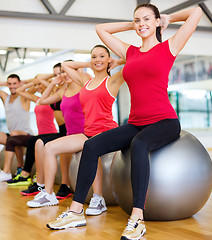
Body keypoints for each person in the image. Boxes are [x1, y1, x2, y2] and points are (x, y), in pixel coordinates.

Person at [46, 3, 202, 240]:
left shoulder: (169, 47)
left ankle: (137, 219)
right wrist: (133, 24)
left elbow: (196, 12)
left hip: (165, 121)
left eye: (146, 20)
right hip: (136, 121)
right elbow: (101, 29)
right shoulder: (130, 52)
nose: (141, 24)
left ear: (157, 21)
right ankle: (76, 211)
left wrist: (166, 18)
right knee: (91, 145)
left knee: (139, 144)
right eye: (137, 20)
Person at [26, 45, 124, 215]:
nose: (97, 60)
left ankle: (98, 198)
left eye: (102, 56)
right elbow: (65, 65)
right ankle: (48, 194)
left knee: (92, 148)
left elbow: (135, 59)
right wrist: (93, 63)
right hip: (87, 132)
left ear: (109, 59)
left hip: (106, 130)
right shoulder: (84, 83)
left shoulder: (112, 80)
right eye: (94, 57)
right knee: (49, 147)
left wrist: (116, 61)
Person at [19, 64, 84, 200]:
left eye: (64, 72)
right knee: (37, 143)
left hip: (78, 131)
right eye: (59, 73)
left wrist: (77, 68)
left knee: (56, 147)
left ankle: (64, 184)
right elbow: (42, 100)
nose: (62, 75)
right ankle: (40, 184)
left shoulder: (82, 86)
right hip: (65, 130)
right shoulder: (60, 91)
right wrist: (54, 79)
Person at [0, 74, 32, 181]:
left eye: (15, 83)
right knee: (11, 135)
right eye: (10, 84)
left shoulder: (24, 96)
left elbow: (36, 82)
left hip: (26, 134)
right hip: (12, 135)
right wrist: (6, 84)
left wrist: (23, 83)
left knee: (14, 135)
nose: (12, 86)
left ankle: (15, 168)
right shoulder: (6, 98)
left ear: (19, 83)